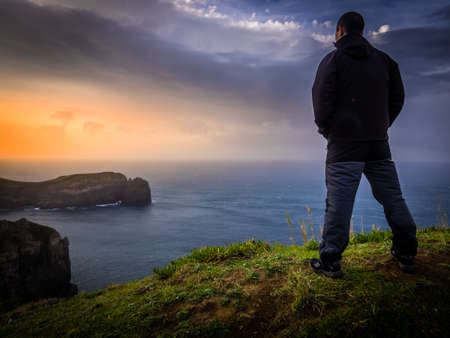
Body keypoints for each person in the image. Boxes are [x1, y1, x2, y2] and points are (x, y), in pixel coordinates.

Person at [309, 11, 418, 278]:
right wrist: (381, 126)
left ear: (339, 31)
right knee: (393, 198)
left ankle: (330, 261)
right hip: (378, 144)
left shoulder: (333, 60)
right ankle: (406, 252)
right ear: (362, 30)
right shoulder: (385, 61)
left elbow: (321, 100)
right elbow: (398, 98)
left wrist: (328, 131)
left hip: (344, 145)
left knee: (339, 204)